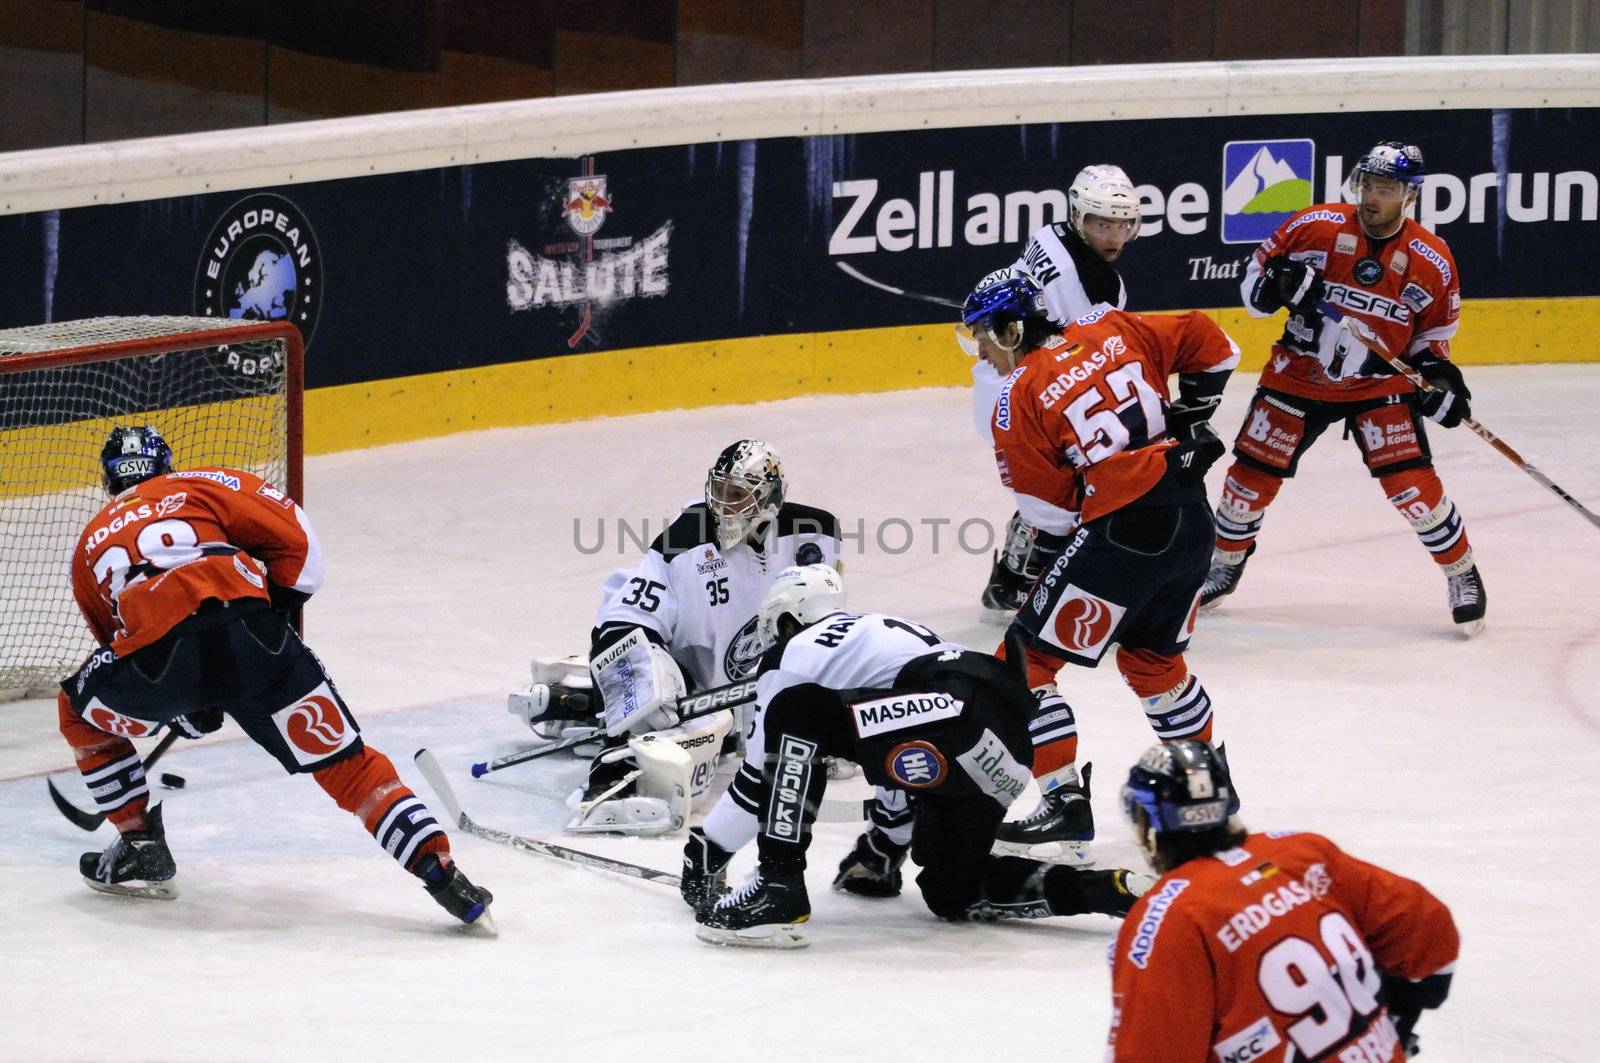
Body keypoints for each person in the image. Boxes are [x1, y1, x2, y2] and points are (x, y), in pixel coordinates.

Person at [59, 425, 492, 928]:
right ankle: (445, 877)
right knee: (347, 767)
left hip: (162, 663)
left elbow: (120, 646)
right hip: (259, 642)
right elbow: (300, 548)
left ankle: (139, 844)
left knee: (76, 710)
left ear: (108, 480)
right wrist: (272, 623)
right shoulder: (205, 483)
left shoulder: (90, 540)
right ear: (167, 463)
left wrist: (184, 706)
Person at [684, 564, 1151, 949]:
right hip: (1004, 738)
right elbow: (894, 754)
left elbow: (759, 779)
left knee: (797, 712)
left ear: (787, 621)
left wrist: (707, 850)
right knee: (952, 890)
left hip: (953, 709)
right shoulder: (878, 634)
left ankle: (778, 886)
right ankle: (1107, 890)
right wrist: (883, 850)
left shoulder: (791, 653)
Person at [962, 271, 1240, 863]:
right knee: (1154, 659)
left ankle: (1063, 805)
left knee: (1025, 663)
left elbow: (1051, 514)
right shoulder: (1109, 324)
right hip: (1193, 517)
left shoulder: (1019, 397)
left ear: (1013, 328)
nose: (982, 352)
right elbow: (1216, 344)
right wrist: (1193, 410)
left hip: (1124, 534)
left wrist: (1060, 566)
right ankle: (1211, 792)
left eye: (985, 337)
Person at [1199, 141, 1486, 635]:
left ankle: (1462, 572)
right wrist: (1277, 287)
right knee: (1247, 484)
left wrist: (1439, 382)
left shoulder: (1432, 260)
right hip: (1296, 376)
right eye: (1368, 186)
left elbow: (1432, 343)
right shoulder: (1312, 226)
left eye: (1387, 189)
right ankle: (1225, 563)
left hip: (1378, 385)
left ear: (1409, 196)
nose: (1373, 197)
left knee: (1411, 487)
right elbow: (1252, 291)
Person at [508, 438, 842, 834]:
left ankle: (575, 703)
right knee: (655, 699)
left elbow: (822, 620)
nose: (723, 504)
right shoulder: (687, 537)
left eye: (737, 495)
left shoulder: (813, 534)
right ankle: (611, 774)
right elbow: (624, 620)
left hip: (747, 699)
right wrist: (646, 687)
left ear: (768, 499)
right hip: (689, 686)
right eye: (718, 490)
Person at [1107, 740, 1459, 1061]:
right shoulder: (1300, 851)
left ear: (1148, 825)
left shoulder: (1166, 921)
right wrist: (1391, 1017)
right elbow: (1431, 928)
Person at [965, 164, 1141, 615]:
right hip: (1018, 391)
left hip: (998, 379)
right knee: (1084, 475)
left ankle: (1012, 577)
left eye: (1123, 223)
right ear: (1079, 215)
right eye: (1103, 223)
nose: (1114, 236)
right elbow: (1089, 354)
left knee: (1058, 478)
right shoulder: (1098, 283)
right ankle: (1040, 578)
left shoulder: (1051, 233)